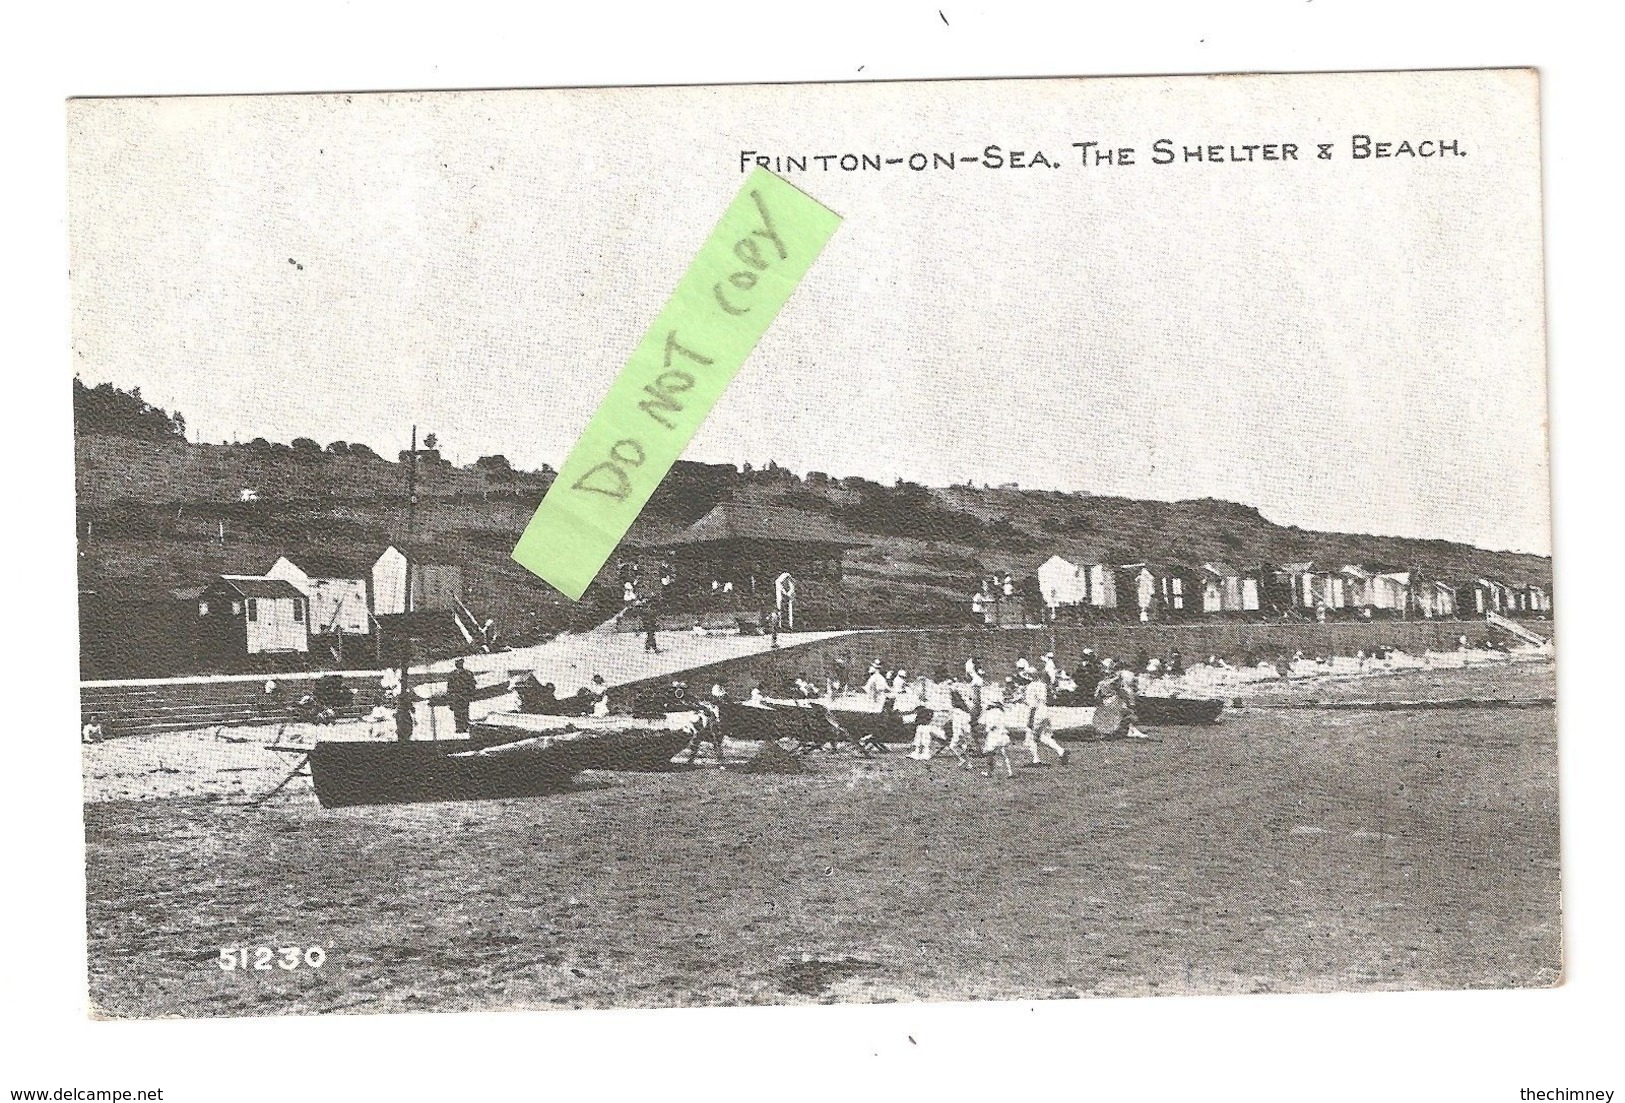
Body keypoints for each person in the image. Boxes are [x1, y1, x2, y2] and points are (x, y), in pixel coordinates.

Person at [1020, 669, 1069, 766]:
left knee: (1031, 736)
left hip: (1036, 711)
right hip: (1045, 711)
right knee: (1043, 736)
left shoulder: (1030, 687)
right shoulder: (1043, 685)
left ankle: (1035, 760)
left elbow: (1032, 704)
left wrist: (1030, 719)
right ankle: (1061, 751)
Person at [979, 700, 1015, 778]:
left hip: (994, 736)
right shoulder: (1003, 712)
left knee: (989, 754)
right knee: (1005, 755)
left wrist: (985, 731)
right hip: (1004, 736)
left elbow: (991, 726)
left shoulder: (990, 713)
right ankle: (1010, 772)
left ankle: (989, 772)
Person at [447, 658, 478, 734]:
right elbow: (449, 688)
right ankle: (461, 727)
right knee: (460, 713)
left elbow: (472, 685)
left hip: (461, 696)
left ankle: (463, 727)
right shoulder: (454, 674)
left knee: (462, 712)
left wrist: (470, 694)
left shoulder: (465, 673)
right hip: (459, 697)